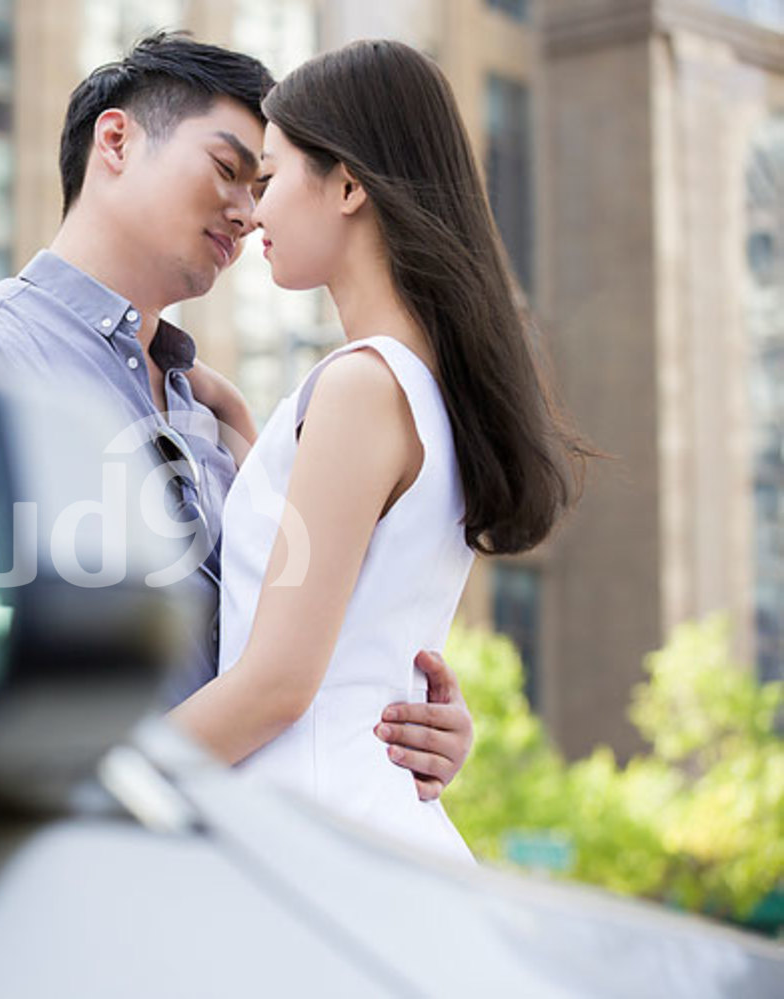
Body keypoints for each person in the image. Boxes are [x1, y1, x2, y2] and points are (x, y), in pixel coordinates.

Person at [0, 32, 475, 802]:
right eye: (229, 170)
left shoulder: (212, 412)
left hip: (214, 856)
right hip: (58, 844)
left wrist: (399, 711)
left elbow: (276, 642)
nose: (249, 211)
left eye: (265, 182)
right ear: (117, 140)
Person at [168, 39, 594, 861]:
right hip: (362, 824)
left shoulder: (362, 388)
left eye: (271, 178)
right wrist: (251, 434)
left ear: (351, 184)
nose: (254, 211)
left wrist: (92, 783)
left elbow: (278, 686)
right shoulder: (420, 386)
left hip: (317, 839)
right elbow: (344, 580)